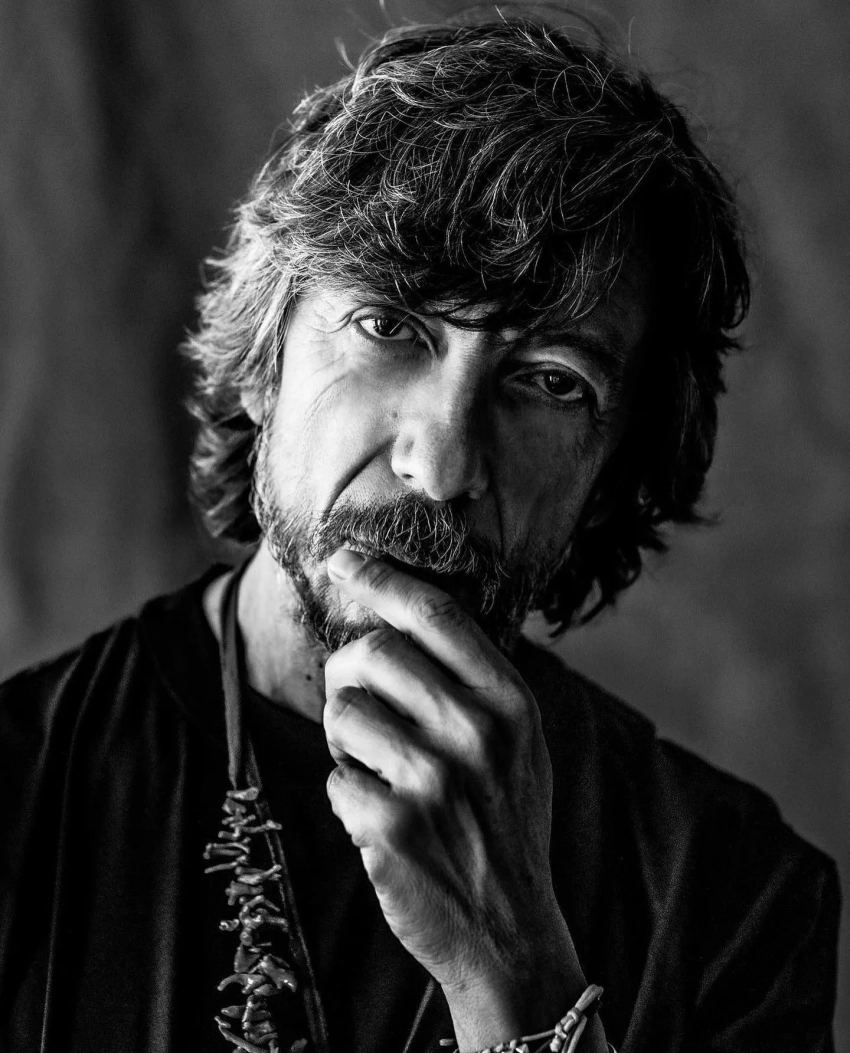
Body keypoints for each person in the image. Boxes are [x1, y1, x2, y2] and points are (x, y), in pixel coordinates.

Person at [0, 14, 840, 1053]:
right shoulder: (20, 794)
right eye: (388, 326)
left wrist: (513, 966)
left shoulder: (735, 904)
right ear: (263, 366)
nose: (440, 466)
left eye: (550, 382)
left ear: (610, 474)